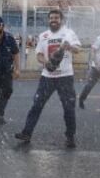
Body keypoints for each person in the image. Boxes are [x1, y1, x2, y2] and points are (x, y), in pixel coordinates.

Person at [14, 9, 81, 148]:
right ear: (48, 20)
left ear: (61, 20)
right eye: (51, 18)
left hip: (65, 77)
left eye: (56, 18)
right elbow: (38, 54)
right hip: (47, 77)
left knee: (69, 108)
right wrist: (46, 62)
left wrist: (69, 46)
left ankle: (70, 137)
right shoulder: (43, 35)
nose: (53, 20)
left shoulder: (68, 33)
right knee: (36, 106)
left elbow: (78, 49)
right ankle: (27, 133)